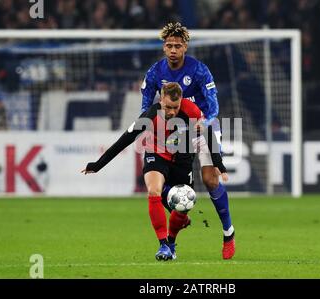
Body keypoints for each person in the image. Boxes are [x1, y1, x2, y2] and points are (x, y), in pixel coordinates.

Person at [82, 82, 228, 260]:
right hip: (156, 155)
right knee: (153, 191)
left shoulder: (192, 111)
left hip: (182, 161)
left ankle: (172, 242)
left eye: (175, 107)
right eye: (168, 107)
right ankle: (164, 245)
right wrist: (98, 165)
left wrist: (219, 165)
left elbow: (209, 134)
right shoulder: (150, 115)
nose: (172, 112)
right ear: (161, 101)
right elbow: (124, 140)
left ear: (181, 100)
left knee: (181, 209)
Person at [140, 22, 236, 259]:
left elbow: (213, 105)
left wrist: (206, 121)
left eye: (178, 46)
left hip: (201, 127)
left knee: (210, 179)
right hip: (172, 131)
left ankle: (228, 232)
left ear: (185, 48)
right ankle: (171, 237)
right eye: (169, 45)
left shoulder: (199, 70)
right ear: (164, 48)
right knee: (160, 185)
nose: (173, 50)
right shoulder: (154, 72)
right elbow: (145, 107)